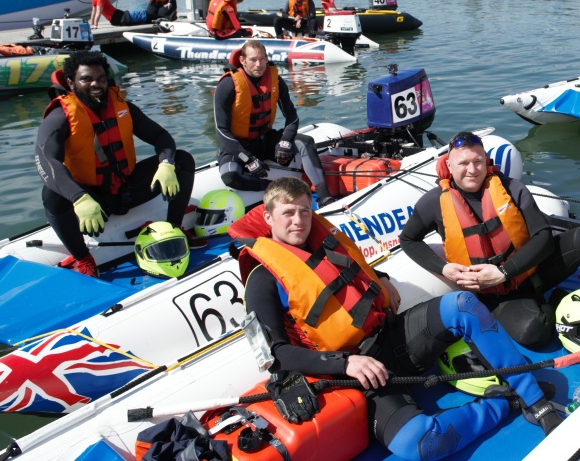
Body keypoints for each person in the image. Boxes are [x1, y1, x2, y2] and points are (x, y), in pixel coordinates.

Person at [241, 178, 563, 460]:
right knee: (422, 443)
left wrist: (381, 278)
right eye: (288, 213)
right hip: (360, 376)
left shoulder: (323, 242)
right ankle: (504, 403)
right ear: (269, 217)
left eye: (304, 211)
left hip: (393, 338)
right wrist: (344, 364)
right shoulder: (262, 279)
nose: (298, 220)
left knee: (461, 303)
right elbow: (275, 355)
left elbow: (349, 278)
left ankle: (534, 400)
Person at [398, 131, 580, 349]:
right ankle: (557, 300)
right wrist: (444, 269)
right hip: (497, 295)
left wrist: (504, 272)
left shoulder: (511, 188)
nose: (472, 170)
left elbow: (544, 237)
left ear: (486, 161)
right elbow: (408, 239)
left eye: (477, 161)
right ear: (449, 166)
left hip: (532, 270)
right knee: (534, 334)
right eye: (463, 163)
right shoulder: (433, 203)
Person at [34, 50, 196, 277]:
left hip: (127, 188)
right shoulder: (60, 118)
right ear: (71, 83)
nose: (96, 84)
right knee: (51, 195)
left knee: (182, 160)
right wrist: (79, 197)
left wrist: (166, 164)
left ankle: (175, 227)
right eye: (86, 79)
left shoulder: (124, 107)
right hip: (93, 200)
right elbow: (45, 160)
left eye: (101, 78)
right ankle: (83, 258)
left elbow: (161, 137)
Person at [213, 40, 332, 203]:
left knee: (305, 142)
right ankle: (275, 187)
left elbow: (292, 116)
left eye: (262, 59)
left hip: (264, 139)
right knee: (230, 177)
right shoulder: (227, 85)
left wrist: (285, 141)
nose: (259, 64)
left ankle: (324, 196)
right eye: (253, 60)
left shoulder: (275, 79)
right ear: (242, 60)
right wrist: (248, 159)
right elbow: (221, 131)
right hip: (238, 146)